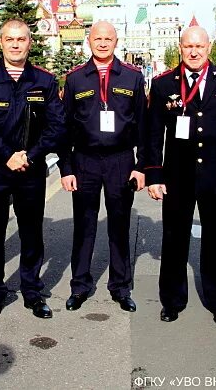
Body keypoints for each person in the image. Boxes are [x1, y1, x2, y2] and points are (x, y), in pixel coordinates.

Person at [144, 25, 216, 326]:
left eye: (199, 46)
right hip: (177, 177)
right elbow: (153, 133)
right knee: (174, 240)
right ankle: (172, 301)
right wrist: (153, 174)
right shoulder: (164, 83)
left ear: (209, 46)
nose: (194, 52)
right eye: (188, 46)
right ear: (180, 47)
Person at [0, 18, 65, 322]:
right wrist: (7, 155)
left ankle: (32, 291)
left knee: (31, 234)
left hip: (31, 170)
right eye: (9, 39)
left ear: (30, 43)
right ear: (0, 43)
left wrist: (30, 155)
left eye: (21, 39)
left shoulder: (45, 81)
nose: (15, 44)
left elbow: (56, 125)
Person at [58, 21, 147, 313]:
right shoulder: (75, 79)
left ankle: (121, 287)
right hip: (85, 161)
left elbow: (144, 125)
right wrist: (67, 168)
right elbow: (65, 128)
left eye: (108, 38)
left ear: (116, 40)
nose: (103, 43)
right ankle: (80, 285)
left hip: (121, 160)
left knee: (119, 226)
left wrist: (142, 165)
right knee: (84, 226)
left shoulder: (133, 77)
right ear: (89, 41)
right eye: (98, 38)